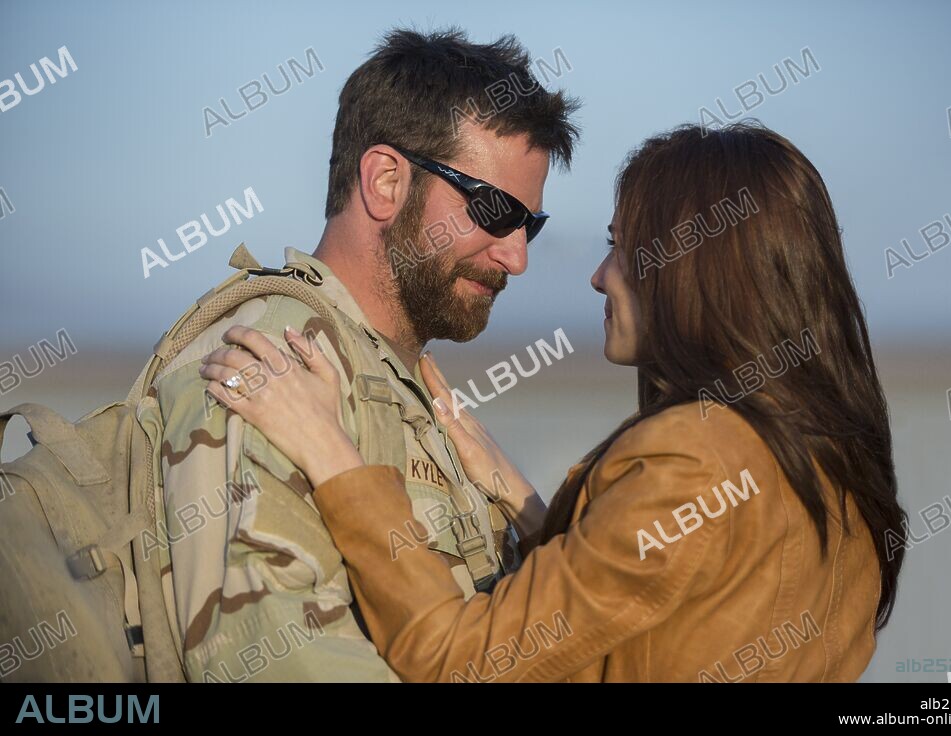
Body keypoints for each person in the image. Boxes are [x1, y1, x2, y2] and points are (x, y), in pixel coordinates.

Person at [201, 122, 908, 683]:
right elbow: (648, 619)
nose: (600, 277)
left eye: (623, 249)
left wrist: (331, 453)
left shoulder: (698, 459)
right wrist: (521, 497)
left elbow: (460, 660)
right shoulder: (825, 463)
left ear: (698, 271)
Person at [148, 27, 580, 682]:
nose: (516, 256)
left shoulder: (414, 389)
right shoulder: (270, 359)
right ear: (384, 180)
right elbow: (269, 659)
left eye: (531, 225)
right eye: (493, 210)